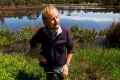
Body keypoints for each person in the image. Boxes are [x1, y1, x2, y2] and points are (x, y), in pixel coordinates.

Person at [30, 5, 74, 80]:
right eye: (52, 19)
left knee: (62, 78)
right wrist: (39, 56)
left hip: (62, 66)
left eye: (57, 17)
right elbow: (32, 43)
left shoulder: (65, 32)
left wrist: (66, 65)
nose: (56, 21)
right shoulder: (41, 32)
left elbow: (71, 49)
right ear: (45, 21)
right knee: (50, 78)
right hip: (47, 65)